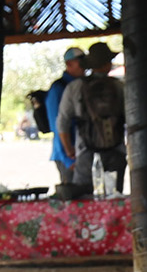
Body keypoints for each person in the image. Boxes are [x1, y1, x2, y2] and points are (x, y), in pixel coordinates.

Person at [57, 42, 127, 193]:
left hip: (86, 152)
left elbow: (62, 122)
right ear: (108, 63)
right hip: (116, 152)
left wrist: (70, 151)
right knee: (113, 199)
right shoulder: (120, 87)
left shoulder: (75, 87)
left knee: (83, 201)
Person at [46, 46, 86, 184]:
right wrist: (68, 158)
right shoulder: (58, 89)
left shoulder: (81, 85)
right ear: (69, 64)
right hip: (68, 155)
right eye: (80, 62)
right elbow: (58, 125)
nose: (85, 66)